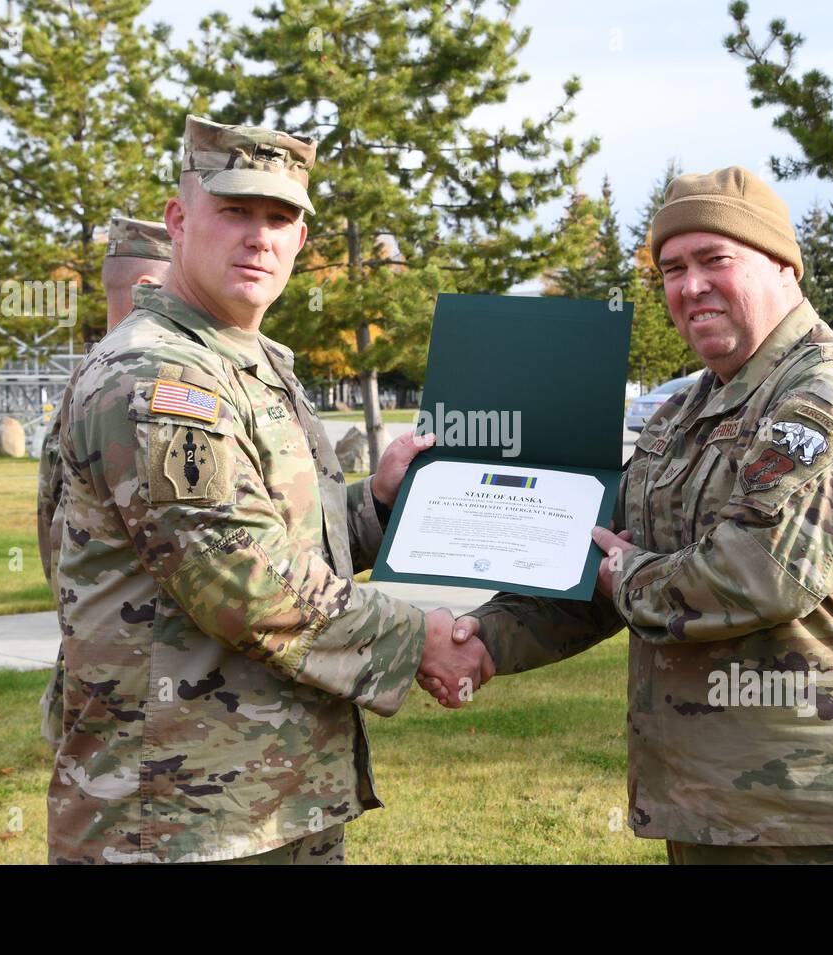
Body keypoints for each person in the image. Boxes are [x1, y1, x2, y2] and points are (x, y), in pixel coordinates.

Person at [432, 166, 833, 865]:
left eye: (714, 259)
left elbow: (763, 571)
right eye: (671, 268)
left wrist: (626, 578)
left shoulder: (828, 394)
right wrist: (485, 639)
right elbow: (609, 555)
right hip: (719, 812)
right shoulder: (681, 414)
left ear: (785, 265)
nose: (690, 286)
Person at [47, 115, 492, 864]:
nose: (259, 236)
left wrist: (375, 506)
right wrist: (419, 640)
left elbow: (279, 540)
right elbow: (240, 577)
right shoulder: (158, 378)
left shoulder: (246, 362)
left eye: (280, 217)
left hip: (269, 802)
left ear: (300, 242)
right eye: (236, 211)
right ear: (180, 222)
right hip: (173, 820)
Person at [37, 216, 172, 750]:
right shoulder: (135, 383)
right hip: (142, 685)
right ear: (147, 290)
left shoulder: (88, 376)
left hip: (99, 661)